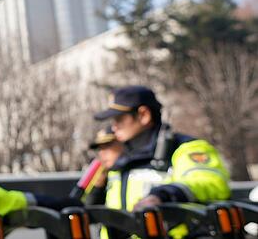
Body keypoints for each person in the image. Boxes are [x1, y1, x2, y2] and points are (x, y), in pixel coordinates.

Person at [93, 86, 230, 216]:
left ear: (144, 115)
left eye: (119, 119)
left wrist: (164, 195)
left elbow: (210, 183)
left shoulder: (187, 149)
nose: (114, 126)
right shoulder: (120, 159)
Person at [82, 127, 124, 206]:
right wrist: (98, 187)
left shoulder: (136, 171)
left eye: (107, 146)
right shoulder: (102, 175)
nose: (102, 153)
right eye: (100, 148)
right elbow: (89, 208)